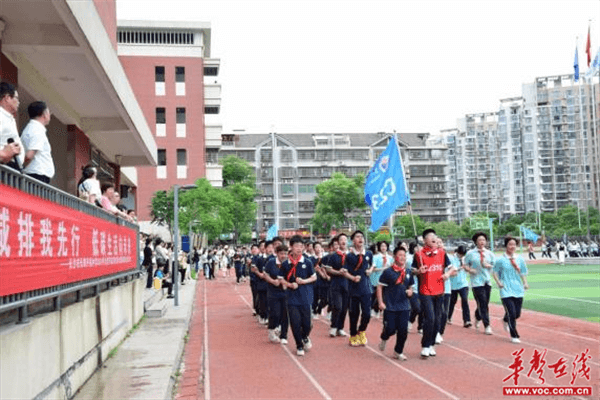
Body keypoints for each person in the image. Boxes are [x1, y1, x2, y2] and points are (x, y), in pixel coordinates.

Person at [412, 228, 452, 358]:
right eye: (430, 236)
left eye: (435, 236)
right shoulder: (419, 255)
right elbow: (412, 270)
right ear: (424, 240)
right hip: (425, 291)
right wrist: (418, 271)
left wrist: (447, 274)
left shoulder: (442, 253)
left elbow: (452, 269)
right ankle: (425, 345)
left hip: (439, 291)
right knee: (430, 318)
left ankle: (432, 345)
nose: (434, 238)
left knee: (437, 319)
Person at [278, 235, 316, 356]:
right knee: (295, 322)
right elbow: (280, 279)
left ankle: (304, 336)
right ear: (291, 247)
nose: (299, 248)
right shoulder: (286, 264)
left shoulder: (307, 262)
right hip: (292, 298)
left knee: (307, 324)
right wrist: (289, 285)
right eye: (296, 246)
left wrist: (304, 281)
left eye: (301, 246)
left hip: (305, 296)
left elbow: (314, 277)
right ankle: (299, 345)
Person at [377, 246, 414, 360]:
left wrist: (410, 292)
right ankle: (384, 336)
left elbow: (411, 287)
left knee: (403, 330)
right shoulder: (388, 272)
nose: (403, 257)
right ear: (394, 257)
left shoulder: (408, 271)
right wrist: (380, 302)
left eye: (404, 255)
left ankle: (398, 351)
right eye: (400, 255)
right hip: (390, 306)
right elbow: (379, 287)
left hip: (404, 306)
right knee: (390, 329)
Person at [493, 236, 529, 343]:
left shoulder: (520, 259)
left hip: (518, 289)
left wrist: (525, 283)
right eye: (510, 244)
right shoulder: (500, 259)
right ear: (506, 246)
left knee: (517, 314)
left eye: (514, 244)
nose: (512, 246)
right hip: (506, 289)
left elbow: (522, 272)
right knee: (512, 313)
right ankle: (514, 335)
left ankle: (505, 319)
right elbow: (494, 272)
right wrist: (498, 282)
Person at [344, 230, 375, 346]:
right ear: (353, 241)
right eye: (357, 237)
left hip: (366, 288)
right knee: (354, 313)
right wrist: (352, 278)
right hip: (353, 289)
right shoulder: (350, 256)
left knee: (367, 314)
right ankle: (353, 335)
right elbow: (344, 272)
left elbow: (372, 265)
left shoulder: (369, 254)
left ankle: (361, 331)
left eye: (361, 236)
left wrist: (370, 270)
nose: (360, 239)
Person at [464, 232, 495, 335]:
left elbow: (495, 266)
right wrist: (470, 270)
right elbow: (464, 265)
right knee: (482, 303)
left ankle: (478, 316)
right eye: (480, 240)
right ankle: (487, 325)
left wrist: (489, 266)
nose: (482, 242)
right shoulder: (470, 254)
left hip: (487, 281)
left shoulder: (490, 254)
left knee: (484, 303)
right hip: (476, 282)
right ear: (476, 242)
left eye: (483, 240)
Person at [21, 101, 54, 183]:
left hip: (35, 174)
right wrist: (20, 168)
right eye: (49, 112)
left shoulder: (32, 128)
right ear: (44, 114)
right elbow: (29, 155)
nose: (50, 115)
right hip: (37, 176)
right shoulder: (37, 130)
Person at [324, 234, 350, 337]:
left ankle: (341, 328)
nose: (343, 241)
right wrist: (339, 272)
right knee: (337, 306)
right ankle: (333, 326)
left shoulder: (351, 256)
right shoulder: (334, 256)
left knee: (344, 308)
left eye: (345, 239)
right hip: (336, 284)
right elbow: (328, 269)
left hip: (348, 284)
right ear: (338, 243)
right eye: (341, 240)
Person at [264, 244, 289, 344]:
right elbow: (265, 275)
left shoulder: (288, 263)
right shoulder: (271, 262)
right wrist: (273, 281)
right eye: (281, 253)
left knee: (285, 314)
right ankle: (271, 330)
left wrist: (285, 284)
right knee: (275, 313)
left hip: (285, 292)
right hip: (273, 292)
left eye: (285, 254)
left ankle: (284, 335)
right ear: (277, 254)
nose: (283, 256)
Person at [0, 82, 24, 170]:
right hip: (5, 169)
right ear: (7, 98)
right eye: (16, 98)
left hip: (11, 170)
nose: (19, 102)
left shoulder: (8, 117)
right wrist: (3, 153)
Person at [448, 245, 472, 328]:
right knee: (452, 302)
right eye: (460, 254)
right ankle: (448, 317)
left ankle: (467, 320)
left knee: (465, 300)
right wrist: (460, 268)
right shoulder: (451, 258)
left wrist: (467, 268)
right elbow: (451, 270)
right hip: (453, 284)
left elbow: (469, 268)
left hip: (463, 284)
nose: (462, 256)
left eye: (463, 254)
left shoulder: (465, 259)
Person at [371, 241, 392, 318]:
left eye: (385, 246)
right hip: (377, 278)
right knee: (378, 295)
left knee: (385, 295)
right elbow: (374, 268)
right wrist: (384, 268)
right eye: (382, 246)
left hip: (387, 279)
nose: (383, 248)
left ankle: (380, 309)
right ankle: (375, 308)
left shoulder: (390, 258)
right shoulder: (375, 257)